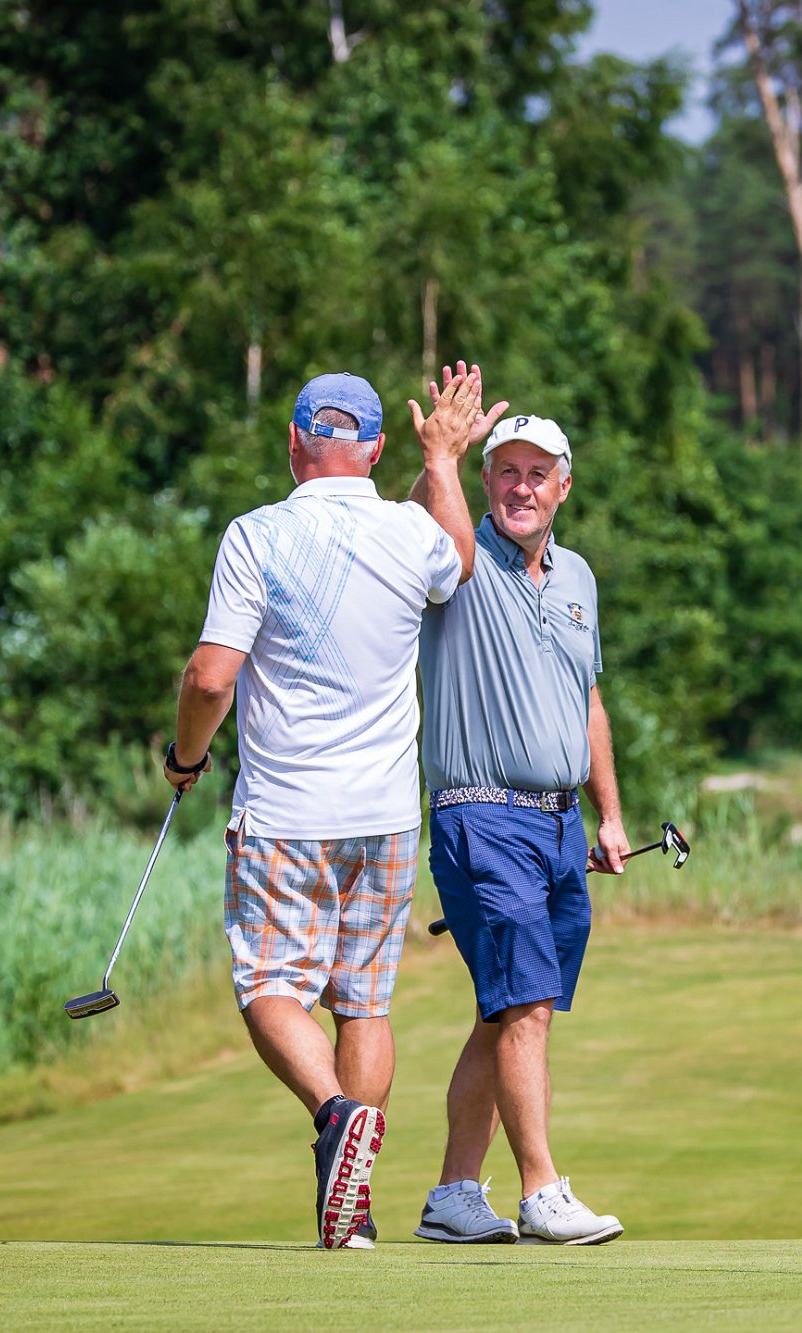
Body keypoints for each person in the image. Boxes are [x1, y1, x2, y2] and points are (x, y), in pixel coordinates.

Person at [162, 365, 500, 1250]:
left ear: (292, 442)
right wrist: (446, 462)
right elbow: (459, 559)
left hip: (286, 810)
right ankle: (351, 1215)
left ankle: (335, 1111)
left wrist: (183, 756)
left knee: (271, 988)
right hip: (386, 811)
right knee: (364, 1003)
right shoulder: (407, 530)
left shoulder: (257, 534)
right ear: (377, 449)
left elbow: (209, 676)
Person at [412, 408, 632, 1246]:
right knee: (526, 1003)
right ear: (485, 481)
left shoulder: (578, 577)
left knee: (505, 1011)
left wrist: (610, 814)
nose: (521, 487)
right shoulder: (458, 555)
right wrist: (438, 457)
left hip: (560, 827)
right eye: (506, 470)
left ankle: (452, 1195)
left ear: (563, 486)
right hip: (480, 812)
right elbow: (420, 526)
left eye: (538, 473)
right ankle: (542, 1190)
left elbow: (588, 702)